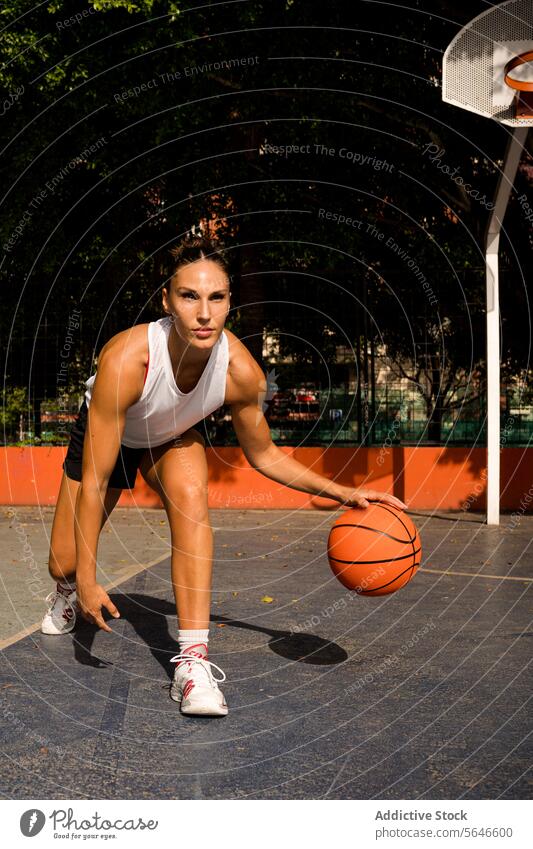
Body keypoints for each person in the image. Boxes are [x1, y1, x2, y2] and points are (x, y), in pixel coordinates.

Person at [41, 235, 407, 717]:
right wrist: (87, 580)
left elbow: (266, 455)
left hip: (171, 436)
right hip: (110, 434)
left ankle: (192, 665)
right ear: (167, 300)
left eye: (217, 297)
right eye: (190, 296)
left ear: (230, 301)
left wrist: (342, 492)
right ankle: (65, 590)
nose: (204, 312)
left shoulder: (241, 373)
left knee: (194, 499)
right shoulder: (128, 360)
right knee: (63, 563)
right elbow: (97, 477)